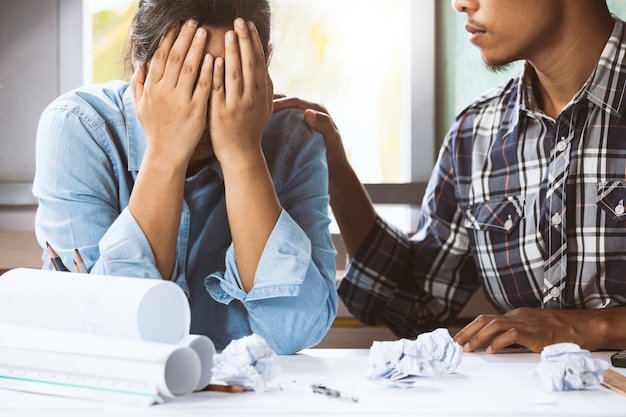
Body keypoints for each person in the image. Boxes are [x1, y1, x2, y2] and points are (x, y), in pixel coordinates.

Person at [274, 0, 626, 354]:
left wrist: (589, 327)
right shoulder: (476, 133)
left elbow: (570, 330)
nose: (460, 4)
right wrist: (334, 166)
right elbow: (417, 305)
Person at [32, 0, 337, 355]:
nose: (203, 110)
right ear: (138, 57)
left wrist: (242, 155)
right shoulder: (78, 127)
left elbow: (295, 331)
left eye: (229, 81)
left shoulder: (293, 141)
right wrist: (164, 154)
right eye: (186, 80)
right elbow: (110, 336)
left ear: (261, 66)